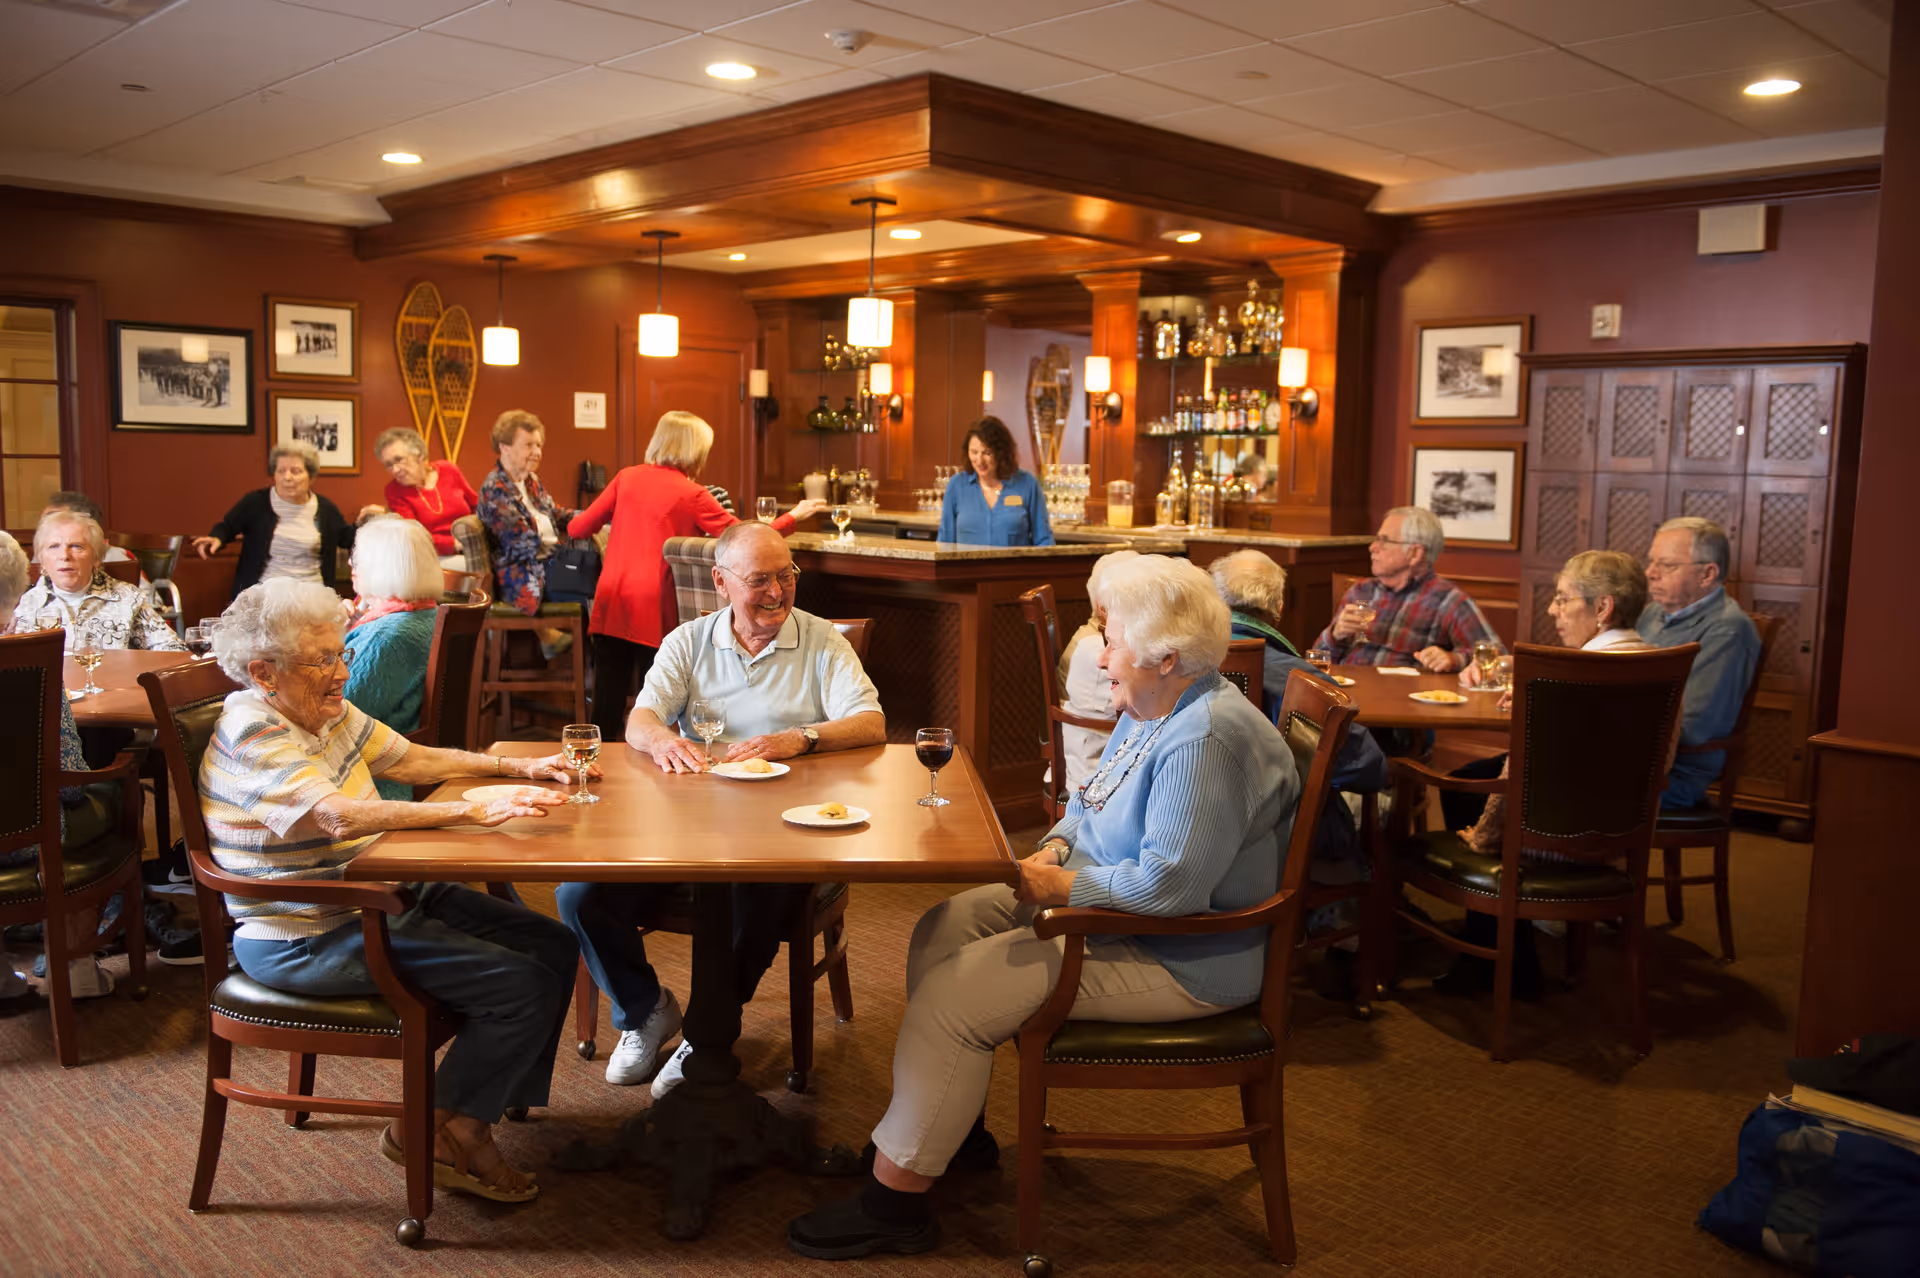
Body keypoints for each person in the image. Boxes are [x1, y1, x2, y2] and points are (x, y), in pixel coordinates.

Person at [787, 555, 1298, 1260]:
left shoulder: (1204, 739)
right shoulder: (1155, 704)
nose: (1100, 652)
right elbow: (1086, 808)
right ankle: (949, 1129)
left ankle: (895, 1203)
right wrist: (1055, 852)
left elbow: (1171, 891)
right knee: (944, 926)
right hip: (1117, 915)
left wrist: (1058, 889)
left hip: (1185, 955)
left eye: (1111, 639)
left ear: (1168, 656)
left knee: (954, 996)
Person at [199, 579, 594, 1203]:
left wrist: (519, 768)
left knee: (550, 943)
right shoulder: (256, 732)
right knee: (521, 982)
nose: (340, 672)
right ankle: (437, 1135)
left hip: (379, 895)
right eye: (322, 660)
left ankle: (471, 1111)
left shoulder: (319, 711)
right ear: (262, 672)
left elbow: (411, 760)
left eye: (341, 653)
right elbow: (337, 817)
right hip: (307, 932)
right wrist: (471, 812)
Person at [557, 522, 884, 1096]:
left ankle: (706, 1035)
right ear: (721, 583)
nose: (778, 593)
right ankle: (646, 1011)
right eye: (760, 580)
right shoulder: (688, 641)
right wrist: (661, 742)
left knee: (756, 895)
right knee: (579, 894)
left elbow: (870, 722)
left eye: (787, 576)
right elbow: (641, 719)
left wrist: (801, 737)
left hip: (786, 834)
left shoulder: (822, 641)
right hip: (689, 830)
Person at [1434, 549, 1663, 1000]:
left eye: (1563, 599)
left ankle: (1499, 962)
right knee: (1473, 775)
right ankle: (1507, 948)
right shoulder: (1653, 661)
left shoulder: (1572, 677)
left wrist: (1532, 706)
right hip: (1624, 826)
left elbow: (1529, 767)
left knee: (1460, 787)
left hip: (1557, 835)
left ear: (1603, 608)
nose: (1552, 610)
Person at [566, 411, 826, 741]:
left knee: (606, 699)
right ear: (694, 450)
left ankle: (589, 772)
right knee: (658, 705)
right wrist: (794, 516)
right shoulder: (692, 494)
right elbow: (744, 538)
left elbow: (577, 528)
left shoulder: (626, 477)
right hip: (654, 604)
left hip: (612, 598)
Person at [0, 531, 121, 1002]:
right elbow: (68, 784)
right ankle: (74, 969)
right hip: (24, 839)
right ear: (23, 583)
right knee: (104, 794)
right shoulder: (27, 660)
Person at [1637, 517, 1762, 811]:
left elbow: (1694, 726)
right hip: (1632, 757)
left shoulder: (1726, 630)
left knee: (1554, 784)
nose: (1649, 573)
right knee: (1526, 770)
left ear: (1707, 573)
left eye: (1666, 565)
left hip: (1673, 775)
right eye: (1651, 562)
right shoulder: (1651, 614)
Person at [1312, 506, 1500, 672]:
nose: (1372, 547)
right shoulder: (1361, 591)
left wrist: (1455, 659)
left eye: (1384, 541)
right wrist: (1336, 634)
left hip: (1400, 702)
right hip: (1346, 694)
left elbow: (1496, 658)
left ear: (1415, 553)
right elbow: (1316, 657)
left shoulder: (1449, 602)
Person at [342, 517, 444, 798]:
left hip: (376, 778)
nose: (352, 566)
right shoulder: (427, 615)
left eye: (358, 560)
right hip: (410, 758)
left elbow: (335, 716)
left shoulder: (385, 637)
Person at [191, 441, 358, 598]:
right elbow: (227, 527)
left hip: (312, 597)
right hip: (265, 596)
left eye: (296, 471)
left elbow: (348, 537)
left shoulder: (326, 509)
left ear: (311, 476)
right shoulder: (256, 503)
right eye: (281, 471)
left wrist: (373, 523)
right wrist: (216, 538)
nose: (287, 477)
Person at [476, 411, 578, 657]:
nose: (537, 451)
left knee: (600, 580)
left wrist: (591, 516)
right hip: (524, 573)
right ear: (505, 447)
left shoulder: (531, 481)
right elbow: (522, 543)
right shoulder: (495, 489)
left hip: (549, 562)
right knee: (592, 591)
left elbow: (554, 514)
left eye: (539, 445)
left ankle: (588, 671)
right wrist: (565, 553)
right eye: (529, 445)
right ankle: (586, 674)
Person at [13, 510, 184, 653]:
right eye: (53, 546)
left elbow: (174, 651)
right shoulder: (25, 604)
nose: (64, 556)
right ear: (42, 560)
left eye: (76, 546)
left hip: (114, 689)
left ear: (96, 558)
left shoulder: (127, 598)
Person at [1054, 550, 1137, 797]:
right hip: (1095, 776)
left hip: (1092, 760)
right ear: (1103, 607)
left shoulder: (1087, 635)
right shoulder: (1098, 648)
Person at [361, 427, 480, 572]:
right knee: (478, 569)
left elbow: (476, 505)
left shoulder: (449, 470)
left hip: (472, 546)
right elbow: (414, 537)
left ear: (419, 455)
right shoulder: (395, 491)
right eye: (389, 465)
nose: (395, 470)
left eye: (399, 460)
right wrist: (454, 544)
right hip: (433, 556)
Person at [936, 416, 1054, 547]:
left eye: (987, 453)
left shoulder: (1027, 484)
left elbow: (1044, 540)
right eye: (974, 452)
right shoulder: (957, 485)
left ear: (1002, 452)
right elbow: (945, 542)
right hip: (967, 568)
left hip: (1013, 567)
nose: (979, 461)